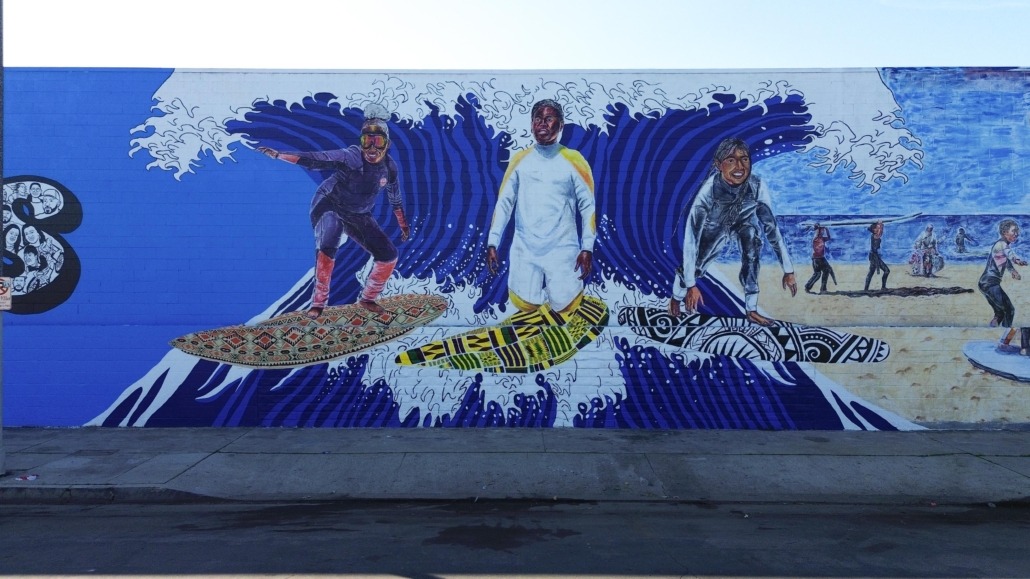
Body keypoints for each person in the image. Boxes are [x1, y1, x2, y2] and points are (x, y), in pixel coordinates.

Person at [257, 105, 410, 318]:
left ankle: (367, 299)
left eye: (378, 142)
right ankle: (318, 304)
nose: (372, 148)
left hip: (358, 213)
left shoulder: (390, 168)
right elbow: (316, 159)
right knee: (329, 245)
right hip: (329, 205)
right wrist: (280, 155)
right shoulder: (351, 156)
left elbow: (395, 198)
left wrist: (403, 224)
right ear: (361, 142)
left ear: (387, 144)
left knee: (389, 255)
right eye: (367, 141)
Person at [669, 137, 797, 326]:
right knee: (696, 265)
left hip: (743, 222)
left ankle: (751, 310)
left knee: (752, 244)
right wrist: (691, 285)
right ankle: (675, 299)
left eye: (744, 159)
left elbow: (772, 229)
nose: (739, 166)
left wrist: (788, 270)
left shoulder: (757, 186)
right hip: (715, 227)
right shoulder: (708, 192)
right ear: (718, 165)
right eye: (730, 160)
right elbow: (691, 239)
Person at [485, 99, 596, 316]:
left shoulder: (574, 160)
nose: (542, 124)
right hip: (525, 250)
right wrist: (493, 242)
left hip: (563, 250)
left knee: (566, 307)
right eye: (537, 119)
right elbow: (504, 204)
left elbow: (588, 207)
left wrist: (587, 248)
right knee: (525, 305)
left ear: (561, 125)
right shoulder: (520, 160)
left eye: (548, 119)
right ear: (531, 125)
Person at [977, 219, 1026, 352]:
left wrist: (1013, 271)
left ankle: (990, 334)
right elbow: (1010, 255)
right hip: (990, 283)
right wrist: (1018, 260)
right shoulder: (1002, 244)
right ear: (1005, 232)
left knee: (999, 313)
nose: (1017, 234)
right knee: (1009, 310)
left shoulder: (1000, 246)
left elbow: (1005, 261)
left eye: (1018, 232)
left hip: (985, 283)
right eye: (1014, 231)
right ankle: (1005, 342)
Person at [804, 224, 835, 294]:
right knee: (817, 274)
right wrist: (819, 227)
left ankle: (822, 288)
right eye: (821, 231)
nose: (822, 232)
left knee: (825, 271)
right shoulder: (815, 239)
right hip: (816, 258)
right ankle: (808, 287)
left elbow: (829, 237)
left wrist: (826, 229)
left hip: (821, 258)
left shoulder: (822, 239)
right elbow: (817, 232)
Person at [864, 220, 890, 291]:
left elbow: (881, 231)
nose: (878, 229)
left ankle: (882, 287)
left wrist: (880, 224)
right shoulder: (875, 236)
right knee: (875, 272)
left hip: (875, 256)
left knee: (884, 271)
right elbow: (880, 232)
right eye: (876, 228)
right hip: (874, 257)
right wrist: (880, 224)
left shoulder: (876, 234)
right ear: (873, 230)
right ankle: (867, 289)